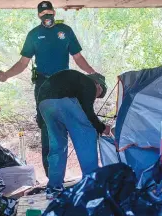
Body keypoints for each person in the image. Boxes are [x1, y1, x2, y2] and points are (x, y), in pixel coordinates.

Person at [0, 1, 101, 177]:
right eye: (43, 13)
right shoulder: (34, 35)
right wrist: (6, 75)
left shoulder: (65, 31)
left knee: (78, 122)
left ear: (54, 12)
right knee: (48, 129)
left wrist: (93, 74)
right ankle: (51, 177)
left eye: (50, 12)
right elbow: (23, 63)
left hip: (67, 85)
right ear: (39, 15)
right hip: (44, 87)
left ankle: (89, 174)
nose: (47, 16)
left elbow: (77, 57)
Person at [37, 70, 111, 199]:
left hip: (44, 104)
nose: (96, 97)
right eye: (99, 94)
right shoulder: (89, 84)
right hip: (64, 102)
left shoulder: (73, 80)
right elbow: (88, 112)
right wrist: (102, 127)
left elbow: (44, 93)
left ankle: (54, 188)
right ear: (98, 85)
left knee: (58, 147)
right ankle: (91, 186)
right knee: (87, 136)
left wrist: (40, 119)